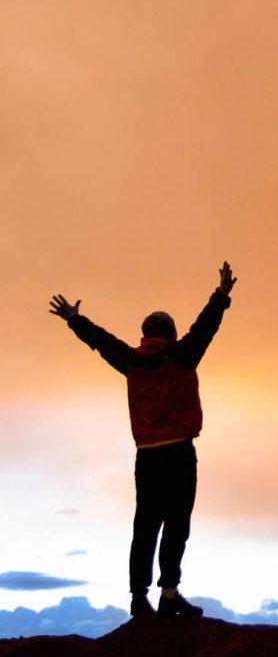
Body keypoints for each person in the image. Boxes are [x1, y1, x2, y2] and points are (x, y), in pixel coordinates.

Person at [49, 261, 237, 618]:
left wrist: (74, 319)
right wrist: (222, 295)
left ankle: (139, 598)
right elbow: (206, 327)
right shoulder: (183, 354)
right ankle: (168, 595)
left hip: (147, 457)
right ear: (171, 332)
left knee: (146, 526)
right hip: (180, 453)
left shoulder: (130, 359)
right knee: (176, 525)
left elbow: (101, 341)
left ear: (145, 334)